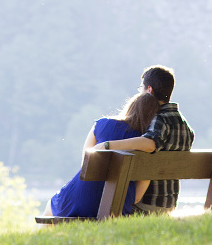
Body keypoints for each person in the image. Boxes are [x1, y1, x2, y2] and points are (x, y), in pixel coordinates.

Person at [90, 64, 194, 214]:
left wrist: (108, 145)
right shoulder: (185, 125)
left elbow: (150, 144)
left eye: (141, 88)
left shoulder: (160, 120)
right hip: (169, 203)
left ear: (149, 90)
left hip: (147, 204)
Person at [43, 90, 160, 218]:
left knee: (51, 206)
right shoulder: (144, 142)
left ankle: (45, 238)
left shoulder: (102, 124)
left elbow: (86, 163)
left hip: (82, 198)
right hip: (121, 205)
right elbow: (137, 197)